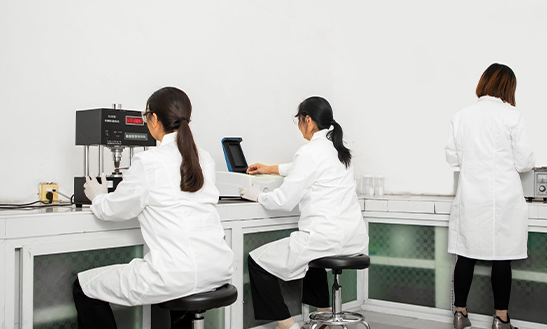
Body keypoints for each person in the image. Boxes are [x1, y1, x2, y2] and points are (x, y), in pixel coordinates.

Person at [73, 87, 234, 329]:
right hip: (218, 269)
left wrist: (97, 196)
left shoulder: (148, 162)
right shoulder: (204, 158)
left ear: (154, 119)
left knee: (84, 286)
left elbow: (113, 210)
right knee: (177, 290)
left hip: (174, 276)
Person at [239, 96, 368, 329]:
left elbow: (284, 200)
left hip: (324, 238)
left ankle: (287, 325)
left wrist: (257, 195)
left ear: (307, 120)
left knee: (256, 260)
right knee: (309, 257)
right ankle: (325, 312)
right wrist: (269, 168)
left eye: (298, 120)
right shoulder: (339, 148)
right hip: (353, 239)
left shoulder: (309, 152)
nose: (299, 125)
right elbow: (304, 169)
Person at [445, 64, 534, 329]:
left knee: (465, 254)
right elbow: (525, 161)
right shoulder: (512, 115)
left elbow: (452, 158)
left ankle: (460, 314)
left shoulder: (462, 116)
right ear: (508, 87)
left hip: (471, 196)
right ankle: (501, 319)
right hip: (502, 199)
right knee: (501, 256)